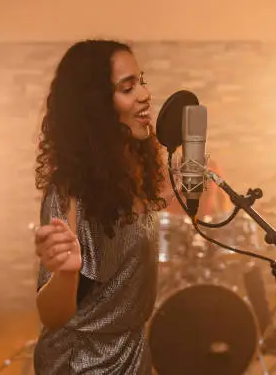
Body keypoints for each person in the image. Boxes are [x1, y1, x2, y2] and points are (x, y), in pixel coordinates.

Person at [32, 39, 170, 374]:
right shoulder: (71, 192)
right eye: (127, 87)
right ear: (96, 107)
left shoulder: (134, 172)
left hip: (133, 350)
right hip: (83, 362)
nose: (144, 94)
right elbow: (52, 315)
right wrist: (65, 273)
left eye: (141, 81)